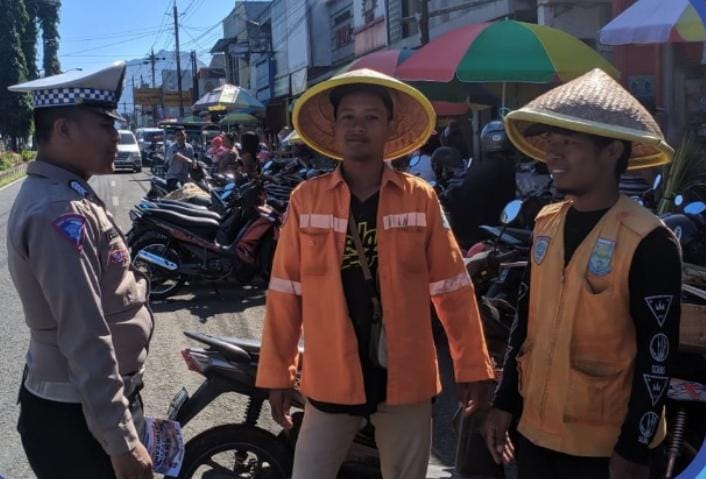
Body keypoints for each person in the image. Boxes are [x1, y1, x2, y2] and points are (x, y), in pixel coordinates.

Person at [256, 69, 495, 479]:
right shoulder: (305, 199)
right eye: (348, 117)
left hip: (405, 379)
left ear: (389, 127)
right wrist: (277, 372)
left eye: (370, 117)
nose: (357, 127)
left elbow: (453, 288)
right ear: (334, 128)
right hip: (328, 375)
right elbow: (284, 293)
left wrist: (473, 366)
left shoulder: (420, 198)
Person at [483, 69, 681, 479]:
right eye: (551, 144)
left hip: (605, 450)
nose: (553, 155)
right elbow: (527, 319)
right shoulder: (545, 223)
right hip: (535, 433)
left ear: (611, 151)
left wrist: (634, 448)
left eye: (568, 144)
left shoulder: (648, 240)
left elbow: (657, 353)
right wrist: (504, 403)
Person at [7, 62, 154, 479]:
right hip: (78, 422)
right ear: (64, 130)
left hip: (85, 411)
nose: (114, 138)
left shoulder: (69, 193)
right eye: (104, 125)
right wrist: (121, 440)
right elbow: (83, 333)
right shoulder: (59, 210)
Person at [165, 126, 195, 191]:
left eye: (182, 134)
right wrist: (189, 160)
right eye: (178, 135)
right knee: (180, 190)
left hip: (185, 178)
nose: (181, 137)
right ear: (175, 137)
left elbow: (193, 161)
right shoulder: (172, 147)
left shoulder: (189, 147)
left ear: (185, 135)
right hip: (174, 177)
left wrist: (196, 164)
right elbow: (178, 156)